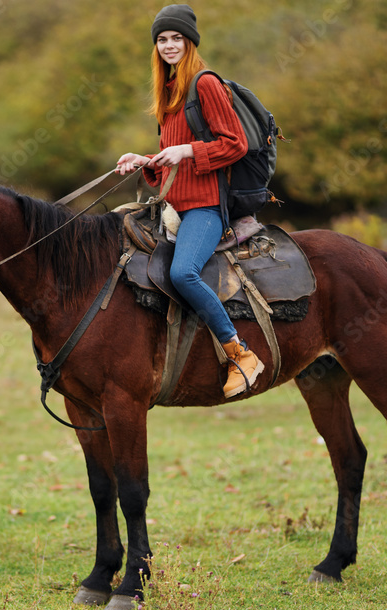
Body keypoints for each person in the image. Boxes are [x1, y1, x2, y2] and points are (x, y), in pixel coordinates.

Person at [116, 4, 264, 398]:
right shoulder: (168, 93)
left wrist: (188, 151)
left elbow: (235, 144)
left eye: (176, 38)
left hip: (205, 208)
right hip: (173, 207)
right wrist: (146, 160)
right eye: (162, 39)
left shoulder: (205, 84)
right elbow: (173, 161)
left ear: (190, 41)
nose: (168, 45)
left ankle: (240, 353)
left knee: (183, 273)